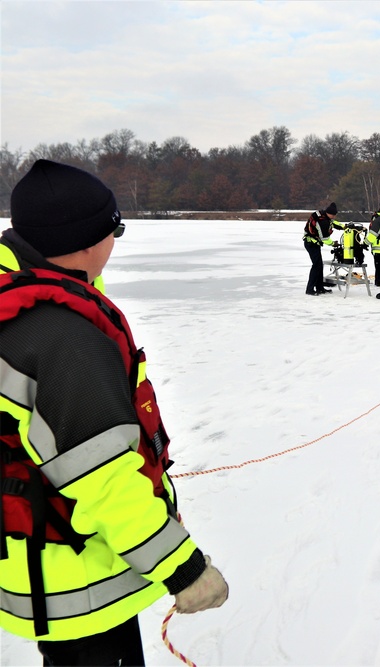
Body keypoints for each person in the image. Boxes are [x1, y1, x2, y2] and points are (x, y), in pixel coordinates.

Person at [0, 160, 229, 665]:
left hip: (38, 558)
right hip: (75, 575)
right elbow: (102, 479)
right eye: (114, 230)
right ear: (83, 242)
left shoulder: (15, 297)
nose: (115, 242)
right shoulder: (64, 339)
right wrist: (183, 568)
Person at [303, 202, 344, 295]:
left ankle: (319, 288)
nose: (334, 217)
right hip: (311, 244)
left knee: (319, 266)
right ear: (329, 213)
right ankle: (309, 289)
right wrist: (333, 244)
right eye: (333, 215)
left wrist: (344, 227)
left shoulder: (324, 216)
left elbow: (334, 223)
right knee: (316, 266)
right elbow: (325, 238)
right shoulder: (323, 222)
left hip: (314, 243)